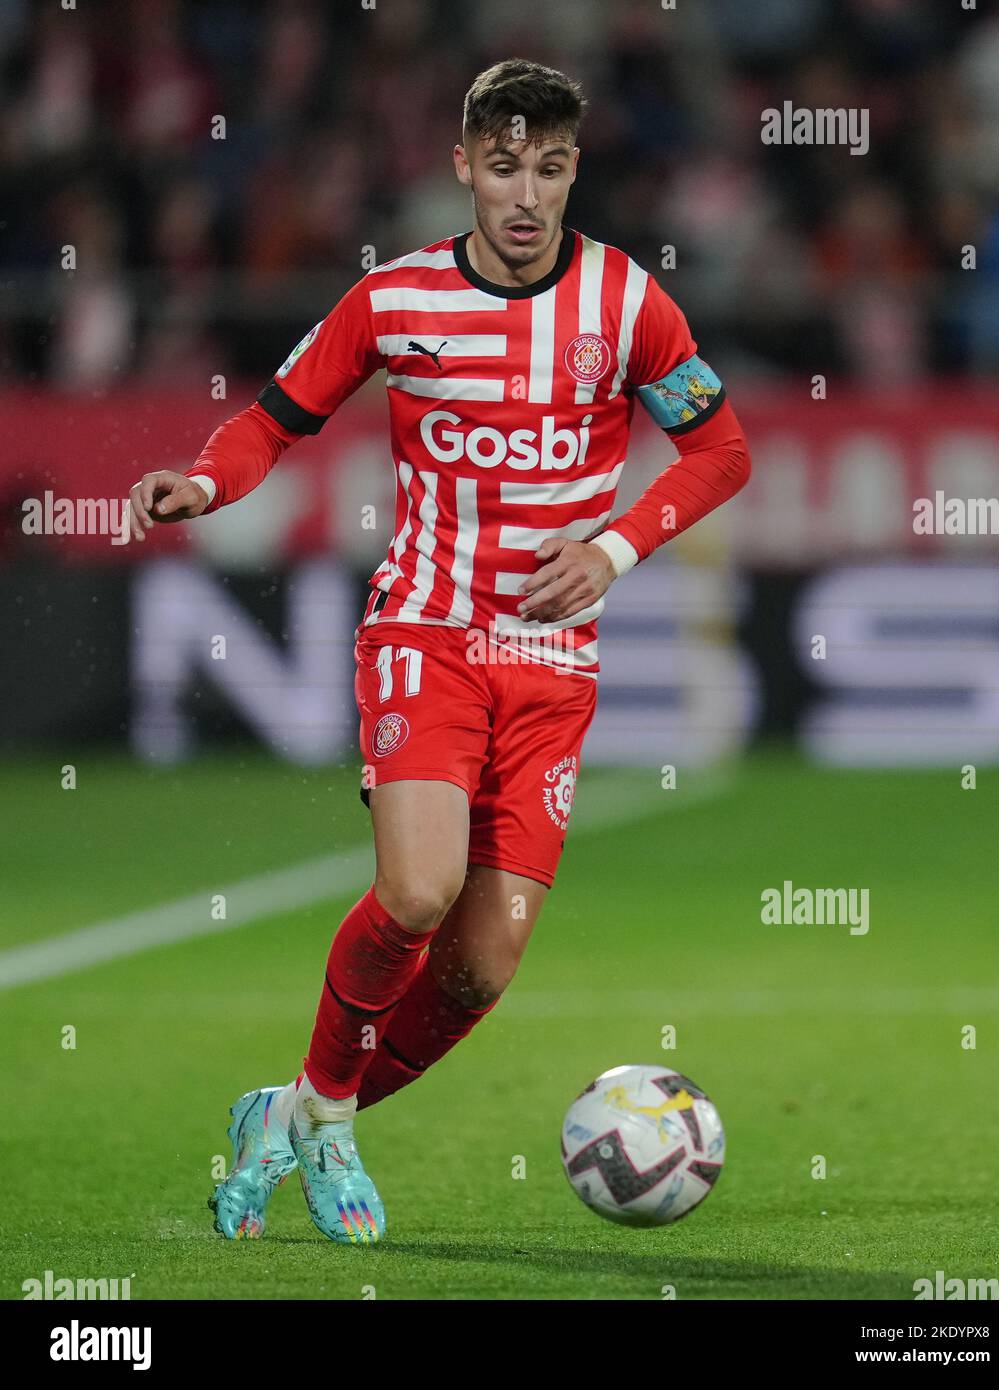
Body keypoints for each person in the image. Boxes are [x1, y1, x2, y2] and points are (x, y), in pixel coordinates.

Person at [124, 57, 751, 1246]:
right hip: (428, 630)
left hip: (553, 666)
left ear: (574, 172)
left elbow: (721, 452)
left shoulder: (627, 305)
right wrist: (205, 478)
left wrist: (612, 552)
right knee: (416, 890)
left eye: (550, 170)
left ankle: (297, 1107)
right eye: (503, 167)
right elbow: (273, 419)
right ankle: (338, 1129)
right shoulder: (394, 301)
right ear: (462, 165)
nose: (525, 197)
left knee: (478, 970)